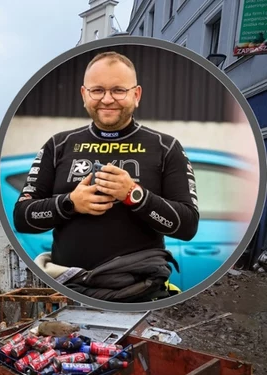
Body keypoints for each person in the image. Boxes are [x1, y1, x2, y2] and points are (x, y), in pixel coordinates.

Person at [13, 51, 199, 291]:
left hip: (139, 291)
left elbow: (187, 226)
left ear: (136, 94)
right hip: (67, 288)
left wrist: (134, 195)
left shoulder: (166, 147)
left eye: (118, 90)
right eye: (98, 90)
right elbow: (22, 217)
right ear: (84, 94)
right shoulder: (58, 145)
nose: (108, 99)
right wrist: (70, 203)